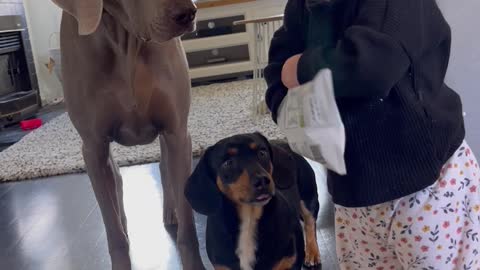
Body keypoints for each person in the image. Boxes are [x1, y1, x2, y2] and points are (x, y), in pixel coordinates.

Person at [264, 0, 480, 269]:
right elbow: (277, 67)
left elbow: (373, 65)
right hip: (354, 188)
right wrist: (282, 103)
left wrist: (299, 69)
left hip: (427, 182)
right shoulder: (301, 5)